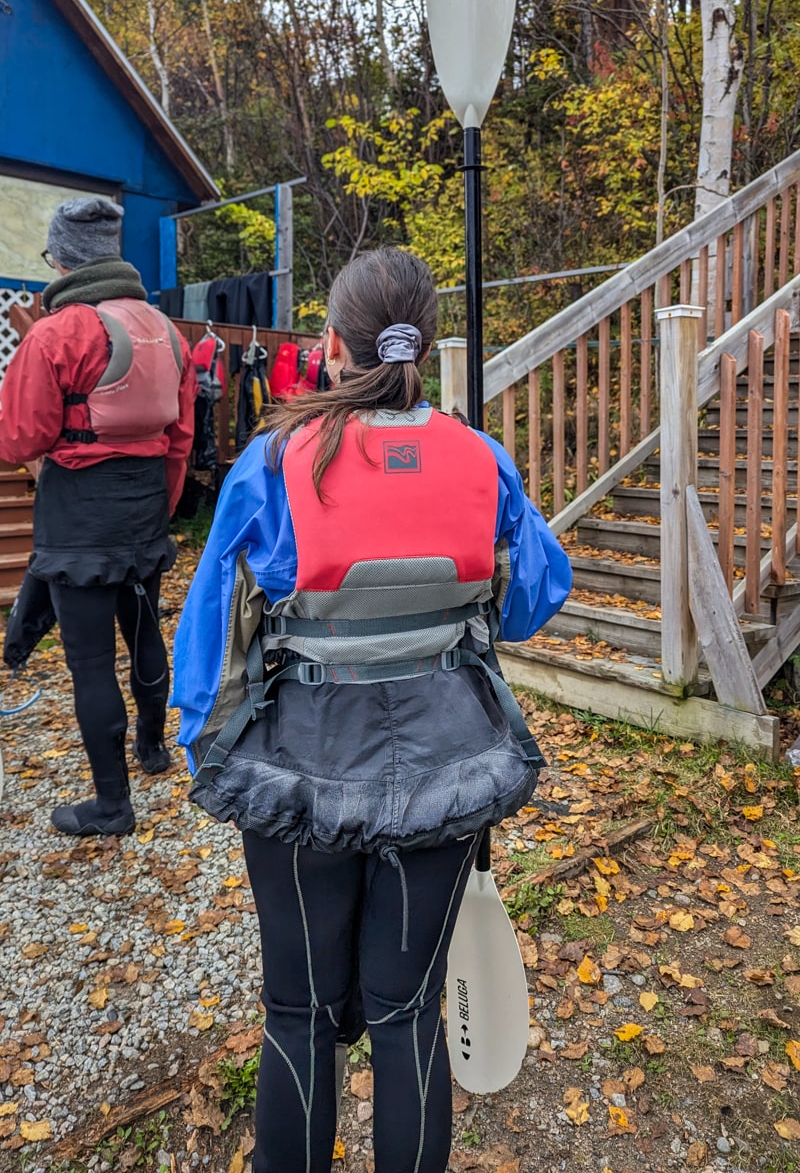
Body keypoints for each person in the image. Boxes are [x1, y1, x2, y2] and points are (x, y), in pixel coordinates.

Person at [172, 247, 571, 1173]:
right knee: (405, 1014)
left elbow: (207, 628)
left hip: (299, 766)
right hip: (450, 759)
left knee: (298, 1012)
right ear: (420, 349)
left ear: (329, 345)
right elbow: (537, 590)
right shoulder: (481, 456)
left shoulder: (277, 460)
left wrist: (203, 743)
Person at [0, 196, 197, 837]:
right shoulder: (166, 331)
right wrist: (158, 510)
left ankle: (112, 805)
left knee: (89, 661)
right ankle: (153, 748)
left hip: (79, 517)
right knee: (144, 635)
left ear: (60, 259)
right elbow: (181, 436)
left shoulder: (55, 333)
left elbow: (19, 438)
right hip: (143, 510)